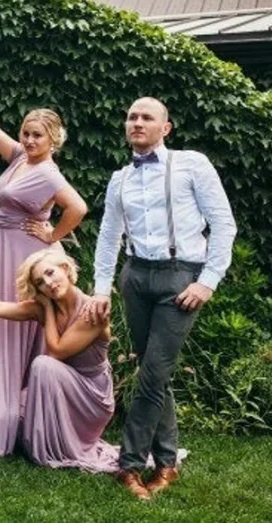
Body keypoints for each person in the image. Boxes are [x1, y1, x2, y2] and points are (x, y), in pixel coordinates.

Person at [85, 97, 236, 499]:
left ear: (165, 128)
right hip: (136, 277)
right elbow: (107, 235)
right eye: (131, 116)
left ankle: (130, 465)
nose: (136, 122)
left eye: (146, 117)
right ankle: (167, 462)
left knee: (152, 375)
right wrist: (102, 287)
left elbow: (223, 223)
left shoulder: (192, 165)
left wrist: (207, 281)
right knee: (157, 375)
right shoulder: (120, 178)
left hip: (179, 277)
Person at [0, 78, 87, 455]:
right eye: (25, 133)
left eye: (37, 135)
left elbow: (78, 208)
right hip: (5, 248)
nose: (28, 140)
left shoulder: (49, 173)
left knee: (17, 325)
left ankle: (17, 417)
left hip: (27, 253)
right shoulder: (21, 158)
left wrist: (51, 233)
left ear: (53, 139)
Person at [0, 249, 117, 472]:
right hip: (66, 385)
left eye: (51, 273)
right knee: (17, 411)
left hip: (92, 394)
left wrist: (47, 311)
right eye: (40, 282)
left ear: (65, 268)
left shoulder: (92, 311)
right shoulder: (46, 304)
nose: (49, 284)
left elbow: (57, 352)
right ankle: (48, 441)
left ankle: (51, 449)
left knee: (43, 365)